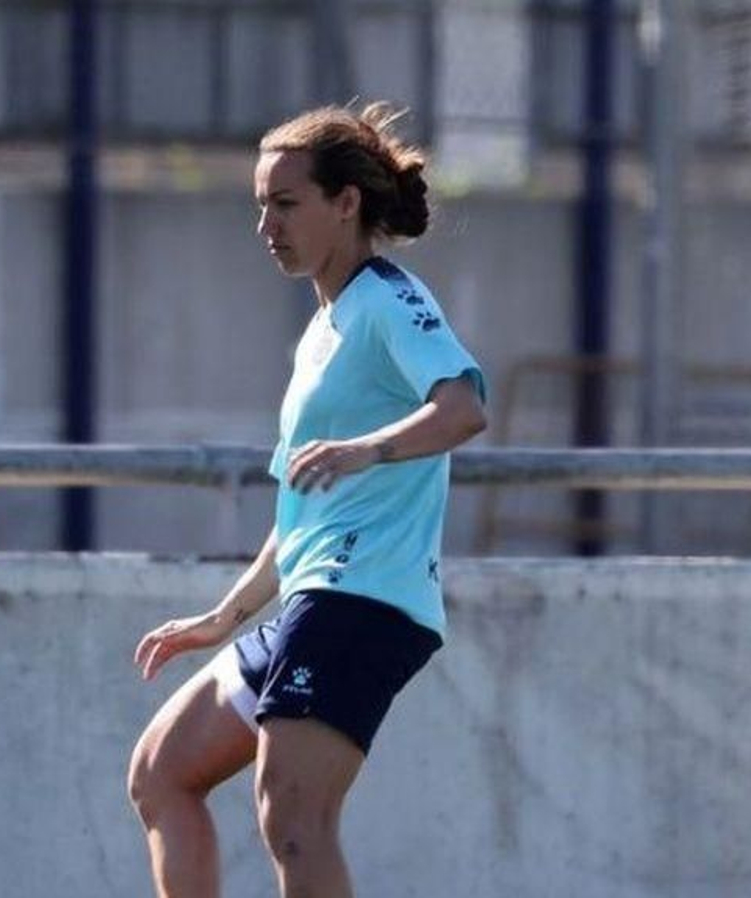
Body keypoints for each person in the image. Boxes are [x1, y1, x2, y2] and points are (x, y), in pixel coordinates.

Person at [127, 102, 487, 898]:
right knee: (161, 771)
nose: (267, 227)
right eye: (261, 206)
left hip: (364, 599)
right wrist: (224, 615)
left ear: (346, 203)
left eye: (285, 204)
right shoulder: (325, 328)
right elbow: (301, 509)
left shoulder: (389, 299)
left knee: (293, 817)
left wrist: (369, 449)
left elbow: (463, 408)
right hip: (313, 597)